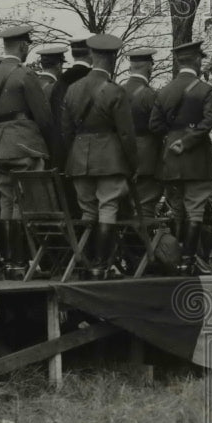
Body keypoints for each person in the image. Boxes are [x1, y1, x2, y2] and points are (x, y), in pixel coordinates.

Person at [61, 34, 138, 279]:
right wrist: (132, 163)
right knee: (108, 208)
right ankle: (101, 265)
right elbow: (126, 133)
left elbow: (65, 131)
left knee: (87, 211)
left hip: (79, 158)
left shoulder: (72, 89)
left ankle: (85, 264)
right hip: (109, 159)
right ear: (113, 59)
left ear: (92, 56)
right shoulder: (115, 91)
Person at [0, 24, 56, 279]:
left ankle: (10, 262)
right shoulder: (25, 75)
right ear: (24, 46)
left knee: (6, 201)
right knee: (24, 202)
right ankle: (23, 262)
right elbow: (45, 118)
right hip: (24, 143)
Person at [148, 40, 212, 276]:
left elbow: (154, 125)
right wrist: (188, 139)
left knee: (177, 210)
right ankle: (188, 262)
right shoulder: (205, 90)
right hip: (196, 159)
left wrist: (173, 137)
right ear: (198, 61)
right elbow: (208, 122)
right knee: (196, 210)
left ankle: (175, 259)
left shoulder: (164, 91)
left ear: (179, 62)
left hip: (170, 160)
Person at [120, 47, 162, 220]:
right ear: (149, 67)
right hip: (147, 161)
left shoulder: (116, 91)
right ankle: (143, 246)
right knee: (145, 211)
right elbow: (159, 128)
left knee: (124, 212)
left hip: (120, 159)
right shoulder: (150, 94)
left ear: (131, 67)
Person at [49, 37, 92, 169]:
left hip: (68, 152)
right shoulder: (97, 80)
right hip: (95, 150)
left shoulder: (60, 82)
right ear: (91, 53)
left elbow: (58, 118)